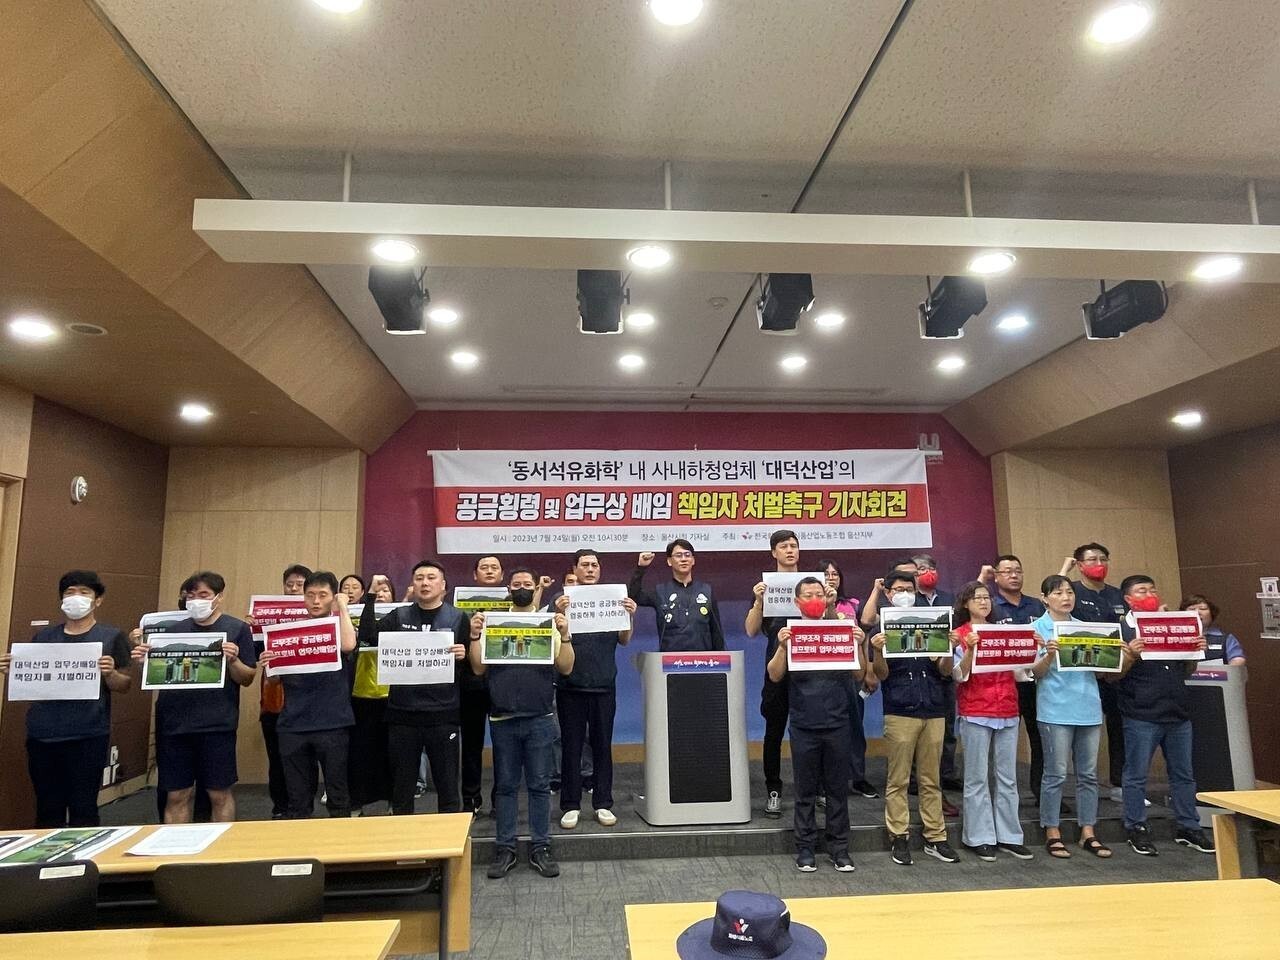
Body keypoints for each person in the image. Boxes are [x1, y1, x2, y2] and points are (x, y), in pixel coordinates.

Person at [0, 571, 132, 827]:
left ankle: (85, 853)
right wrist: (12, 669)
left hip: (88, 734)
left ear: (98, 600)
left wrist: (110, 673)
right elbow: (32, 678)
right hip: (43, 735)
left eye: (84, 592)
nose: (76, 597)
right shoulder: (44, 638)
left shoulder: (112, 636)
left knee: (83, 806)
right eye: (70, 592)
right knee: (48, 807)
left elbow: (124, 685)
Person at [473, 568, 575, 880]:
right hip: (502, 719)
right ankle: (505, 848)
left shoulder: (547, 623)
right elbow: (477, 668)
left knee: (539, 786)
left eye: (526, 584)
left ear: (534, 589)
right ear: (509, 589)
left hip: (540, 718)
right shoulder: (493, 623)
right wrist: (475, 635)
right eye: (516, 584)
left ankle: (541, 847)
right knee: (505, 787)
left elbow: (566, 667)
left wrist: (565, 634)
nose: (521, 588)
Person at [132, 571, 256, 822]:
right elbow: (157, 676)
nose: (196, 601)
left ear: (218, 597)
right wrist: (143, 662)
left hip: (217, 725)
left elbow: (247, 677)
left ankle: (222, 846)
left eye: (203, 595)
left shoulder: (237, 629)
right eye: (191, 596)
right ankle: (176, 846)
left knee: (219, 794)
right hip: (175, 725)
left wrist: (233, 660)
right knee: (177, 795)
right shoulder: (171, 633)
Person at [767, 577, 866, 872]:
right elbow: (774, 675)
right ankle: (806, 848)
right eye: (808, 595)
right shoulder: (788, 632)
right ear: (797, 602)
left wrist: (859, 645)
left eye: (819, 594)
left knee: (837, 790)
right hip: (803, 724)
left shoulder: (841, 629)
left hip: (838, 722)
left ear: (827, 598)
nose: (814, 599)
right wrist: (782, 647)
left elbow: (860, 675)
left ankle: (839, 848)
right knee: (805, 790)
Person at [1113, 574, 1215, 856]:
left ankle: (1188, 826)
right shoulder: (1120, 629)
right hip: (1141, 713)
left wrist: (1195, 653)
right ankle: (1136, 826)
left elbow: (1187, 670)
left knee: (1184, 775)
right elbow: (1111, 676)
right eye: (1141, 591)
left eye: (1152, 589)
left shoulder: (1173, 624)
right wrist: (1131, 655)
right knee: (1136, 775)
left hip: (1178, 711)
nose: (1149, 594)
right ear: (1128, 599)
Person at [869, 570, 958, 866]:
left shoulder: (932, 621)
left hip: (934, 708)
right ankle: (899, 835)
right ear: (888, 593)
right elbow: (880, 675)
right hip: (900, 709)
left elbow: (945, 670)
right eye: (898, 589)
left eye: (909, 589)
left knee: (931, 779)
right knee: (898, 779)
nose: (904, 594)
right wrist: (878, 651)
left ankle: (936, 837)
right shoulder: (881, 627)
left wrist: (948, 648)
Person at [261, 571, 358, 818]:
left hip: (332, 722)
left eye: (323, 595)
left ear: (333, 597)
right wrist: (269, 665)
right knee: (298, 799)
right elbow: (274, 680)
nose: (315, 601)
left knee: (337, 794)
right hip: (293, 723)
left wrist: (342, 607)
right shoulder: (288, 631)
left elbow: (349, 645)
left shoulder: (338, 627)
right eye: (310, 595)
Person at [375, 560, 469, 815]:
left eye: (431, 578)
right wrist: (371, 595)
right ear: (412, 585)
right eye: (419, 578)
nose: (425, 583)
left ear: (443, 585)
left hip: (443, 715)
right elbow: (368, 637)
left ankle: (448, 840)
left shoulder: (459, 618)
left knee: (448, 789)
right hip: (402, 715)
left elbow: (472, 670)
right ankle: (402, 839)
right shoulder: (398, 616)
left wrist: (464, 655)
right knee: (402, 790)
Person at [554, 549, 636, 829]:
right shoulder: (563, 601)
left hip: (603, 685)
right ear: (575, 569)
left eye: (594, 565)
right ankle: (570, 804)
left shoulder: (613, 599)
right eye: (585, 565)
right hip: (571, 687)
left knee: (602, 747)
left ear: (600, 570)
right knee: (571, 747)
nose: (590, 569)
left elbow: (624, 639)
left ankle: (603, 802)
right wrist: (558, 613)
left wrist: (629, 615)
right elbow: (552, 639)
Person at [1030, 575, 1110, 859]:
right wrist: (1049, 655)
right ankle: (1052, 830)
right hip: (1054, 709)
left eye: (1069, 592)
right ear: (1044, 599)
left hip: (1088, 707)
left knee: (1088, 774)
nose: (1066, 597)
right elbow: (1034, 673)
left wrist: (1112, 655)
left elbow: (1100, 672)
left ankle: (1088, 830)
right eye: (1058, 593)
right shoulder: (1036, 629)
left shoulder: (1084, 628)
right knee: (1056, 773)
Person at [952, 581, 1032, 861]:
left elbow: (1021, 673)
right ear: (966, 603)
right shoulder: (959, 635)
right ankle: (979, 837)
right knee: (977, 777)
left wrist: (1033, 651)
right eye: (977, 598)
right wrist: (971, 650)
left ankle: (1010, 836)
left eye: (987, 597)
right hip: (975, 709)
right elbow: (957, 675)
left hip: (1007, 709)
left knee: (1008, 778)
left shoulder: (1003, 632)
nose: (984, 602)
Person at [1060, 543, 1129, 803]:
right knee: (1077, 729)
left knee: (1119, 726)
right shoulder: (1073, 592)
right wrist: (1064, 570)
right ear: (1079, 565)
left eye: (1103, 559)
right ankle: (1077, 785)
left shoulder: (1117, 595)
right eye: (1092, 560)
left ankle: (1119, 783)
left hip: (1114, 672)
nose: (1098, 564)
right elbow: (1055, 610)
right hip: (1081, 672)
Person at [745, 529, 804, 818]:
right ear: (774, 553)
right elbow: (750, 630)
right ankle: (773, 790)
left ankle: (813, 789)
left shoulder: (811, 585)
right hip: (777, 668)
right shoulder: (766, 588)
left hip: (809, 671)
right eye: (784, 546)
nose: (790, 550)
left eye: (793, 545)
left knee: (810, 731)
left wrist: (828, 602)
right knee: (774, 732)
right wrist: (758, 602)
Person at [981, 555, 1047, 806]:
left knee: (1040, 739)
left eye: (1017, 570)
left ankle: (1042, 793)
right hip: (1003, 684)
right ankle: (1001, 797)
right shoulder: (990, 606)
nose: (1013, 575)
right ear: (996, 576)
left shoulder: (1036, 605)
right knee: (1000, 741)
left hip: (1036, 682)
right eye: (1007, 571)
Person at [253, 564, 313, 818]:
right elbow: (254, 656)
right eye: (290, 584)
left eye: (300, 585)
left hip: (308, 704)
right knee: (277, 760)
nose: (294, 589)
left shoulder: (320, 620)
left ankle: (304, 808)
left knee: (305, 761)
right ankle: (280, 808)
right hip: (274, 701)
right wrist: (254, 630)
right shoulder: (268, 618)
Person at [820, 558, 877, 800]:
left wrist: (869, 670)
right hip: (822, 678)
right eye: (826, 574)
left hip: (851, 675)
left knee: (855, 728)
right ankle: (826, 782)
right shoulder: (811, 604)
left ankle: (858, 778)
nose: (831, 578)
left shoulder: (852, 604)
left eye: (835, 574)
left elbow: (864, 637)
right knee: (824, 731)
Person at [348, 573, 394, 813]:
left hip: (392, 697)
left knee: (392, 754)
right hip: (361, 695)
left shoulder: (400, 617)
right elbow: (366, 636)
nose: (381, 595)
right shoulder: (355, 617)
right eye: (377, 591)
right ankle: (357, 803)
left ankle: (394, 803)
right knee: (360, 754)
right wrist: (371, 598)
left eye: (386, 591)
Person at [628, 540, 725, 652]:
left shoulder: (706, 590)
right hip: (670, 660)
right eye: (678, 555)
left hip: (703, 660)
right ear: (669, 561)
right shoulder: (661, 591)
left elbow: (716, 632)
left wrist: (720, 658)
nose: (683, 559)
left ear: (693, 560)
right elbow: (634, 596)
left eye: (687, 555)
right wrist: (641, 568)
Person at [1181, 594, 1246, 664]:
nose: (1197, 612)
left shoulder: (1225, 638)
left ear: (1211, 614)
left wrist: (1208, 653)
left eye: (1203, 609)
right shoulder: (1176, 637)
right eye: (1192, 609)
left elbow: (1238, 660)